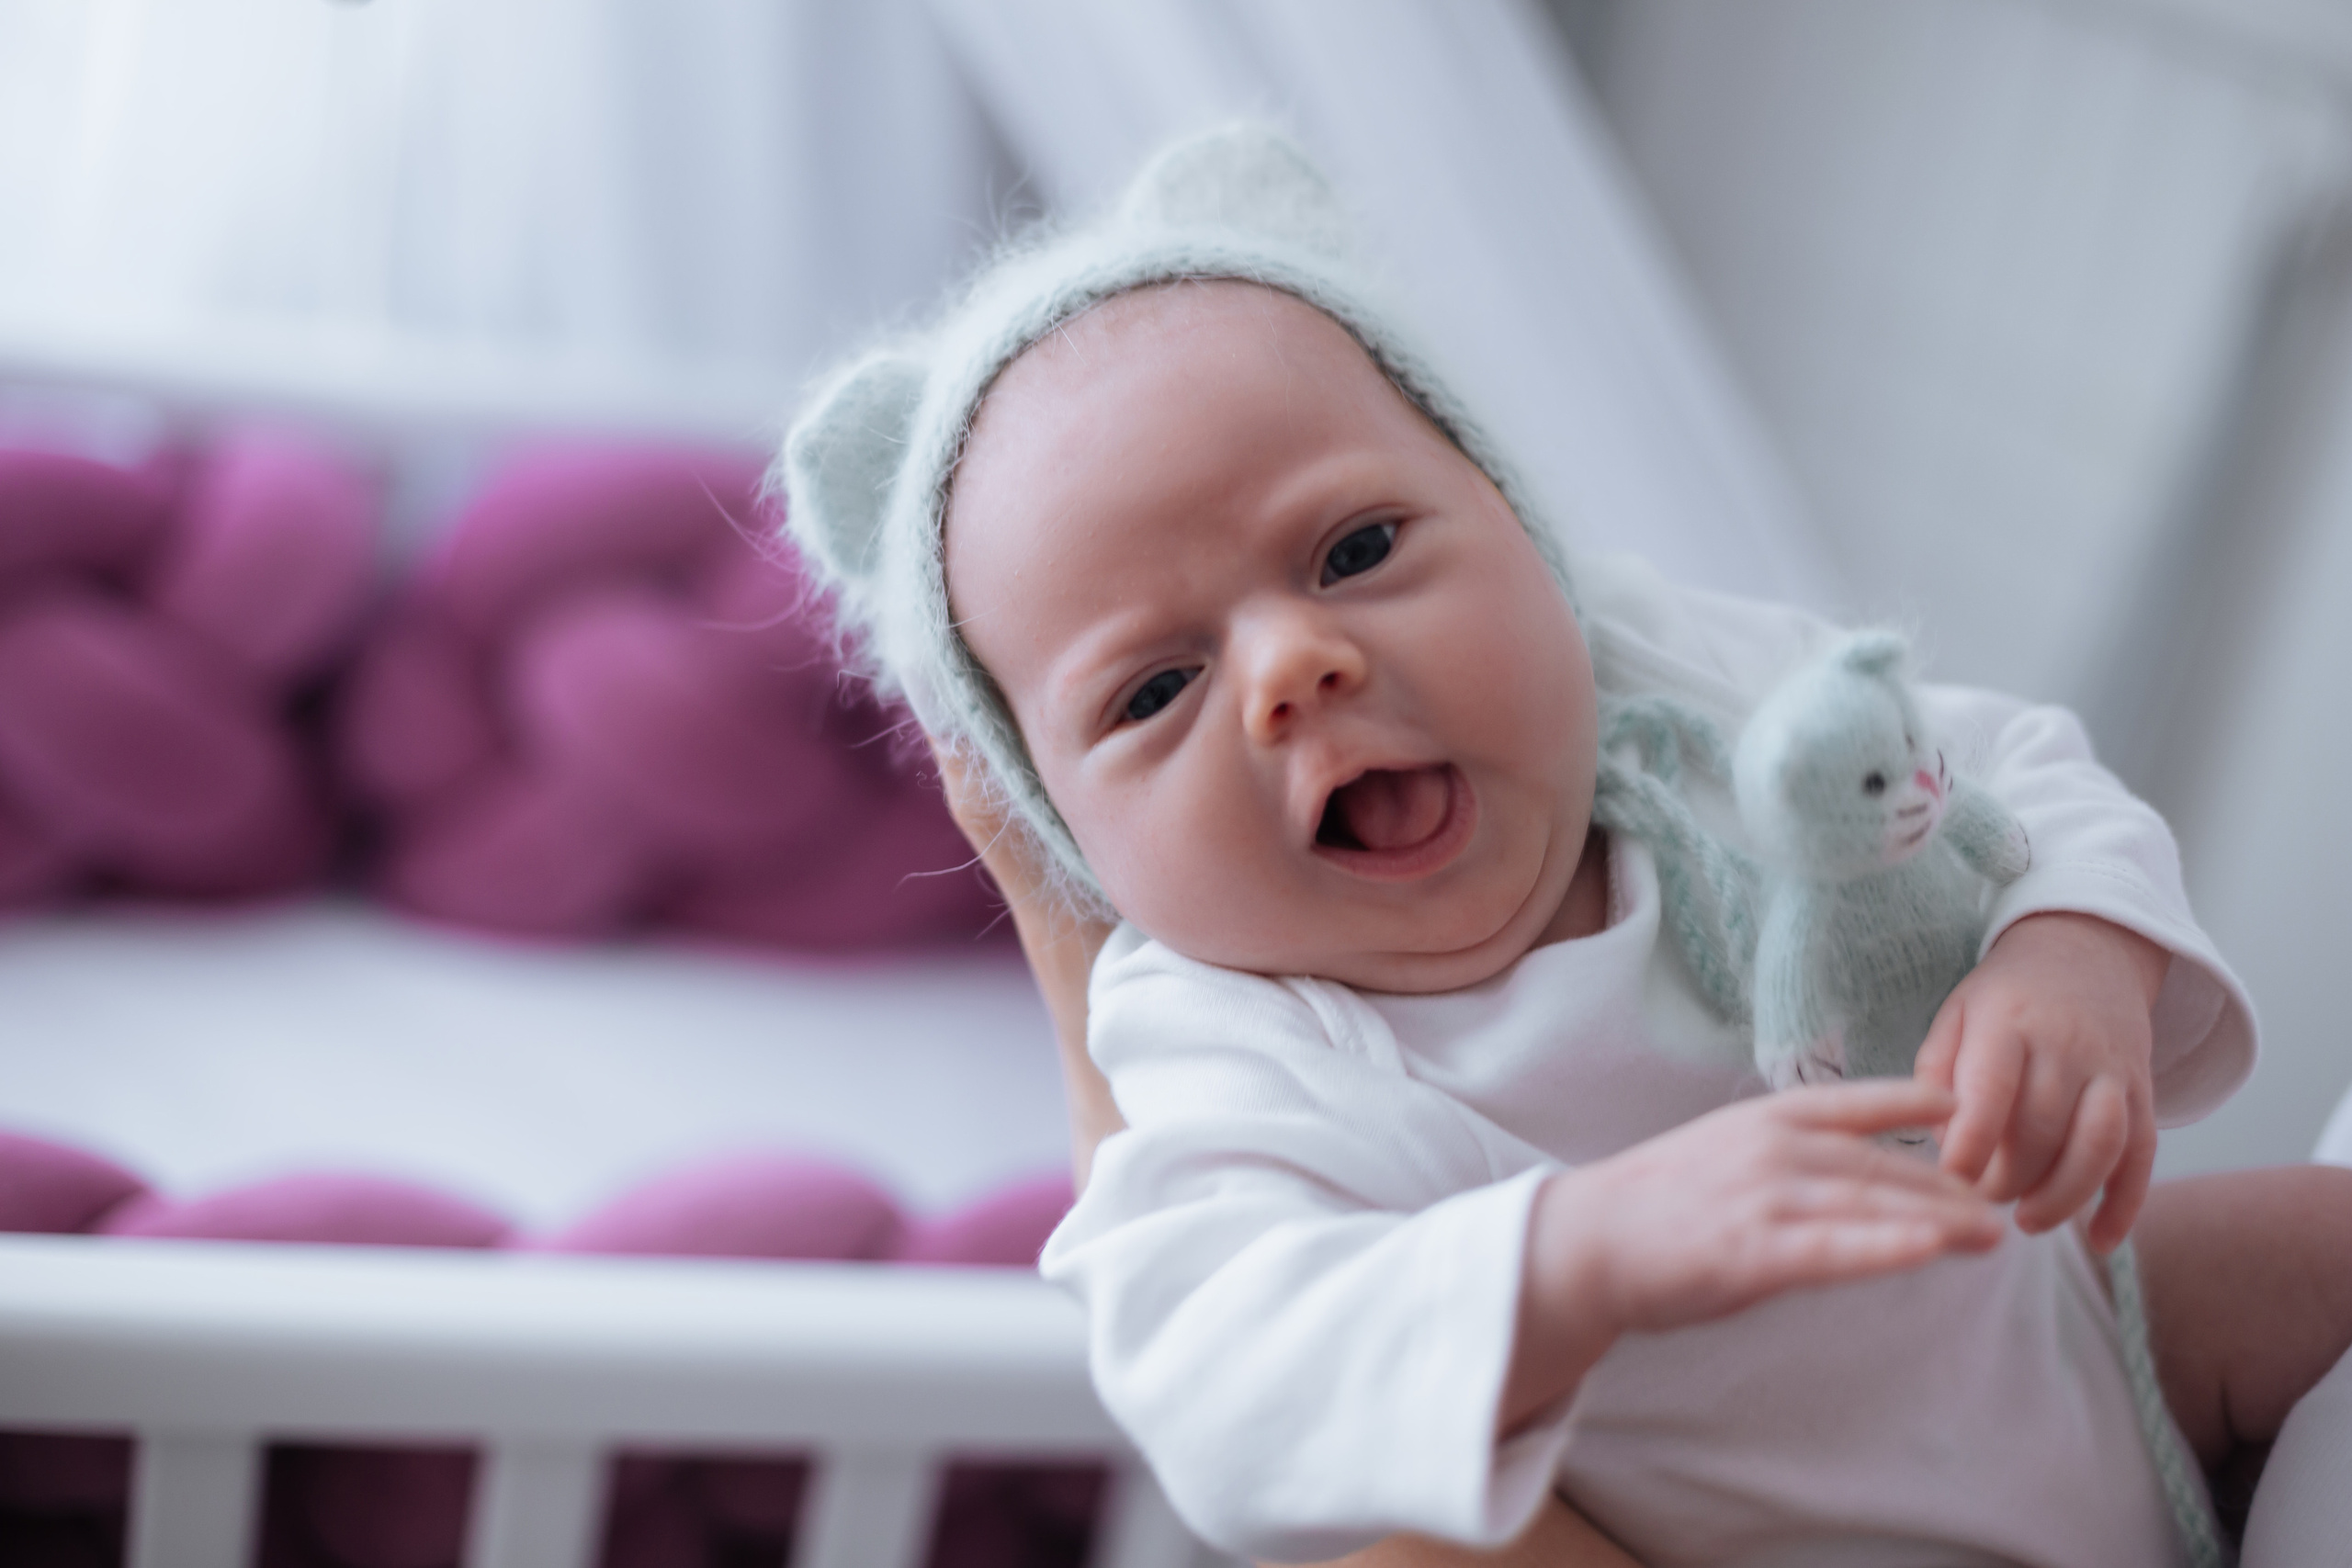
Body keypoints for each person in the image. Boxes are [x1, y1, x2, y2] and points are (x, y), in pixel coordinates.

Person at [781, 125, 2352, 1566]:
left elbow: (2007, 765)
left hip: (2085, 1339)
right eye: (1154, 690)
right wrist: (1570, 1256)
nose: (1290, 670)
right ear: (1070, 844)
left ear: (1520, 525)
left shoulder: (1667, 681)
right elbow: (1216, 1368)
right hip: (1776, 1535)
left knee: (2308, 1242)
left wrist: (2068, 954)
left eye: (1355, 548)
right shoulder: (1243, 1043)